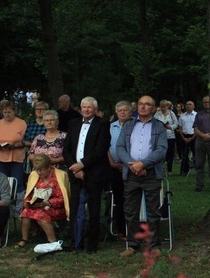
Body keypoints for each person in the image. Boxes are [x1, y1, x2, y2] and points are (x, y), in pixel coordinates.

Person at [117, 95, 168, 257]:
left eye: (147, 105)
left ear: (153, 108)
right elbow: (120, 147)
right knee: (130, 211)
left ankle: (153, 245)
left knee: (153, 212)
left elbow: (161, 149)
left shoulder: (159, 127)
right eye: (140, 104)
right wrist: (133, 165)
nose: (143, 107)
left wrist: (144, 164)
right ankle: (132, 245)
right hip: (132, 174)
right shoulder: (129, 125)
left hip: (151, 174)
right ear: (136, 106)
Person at [63, 96, 110, 253]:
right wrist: (74, 168)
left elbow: (100, 150)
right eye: (83, 107)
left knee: (94, 209)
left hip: (94, 173)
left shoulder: (102, 124)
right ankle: (76, 242)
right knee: (75, 208)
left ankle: (92, 245)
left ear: (95, 109)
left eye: (89, 107)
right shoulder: (73, 123)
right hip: (75, 174)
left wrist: (82, 165)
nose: (86, 109)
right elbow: (66, 149)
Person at [17, 155, 70, 248]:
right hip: (38, 206)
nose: (38, 172)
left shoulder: (60, 176)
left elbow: (63, 199)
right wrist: (27, 202)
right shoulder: (34, 175)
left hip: (56, 207)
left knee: (40, 214)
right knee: (25, 212)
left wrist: (48, 203)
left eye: (41, 170)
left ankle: (52, 241)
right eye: (37, 170)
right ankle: (24, 239)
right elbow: (29, 194)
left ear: (49, 167)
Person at [0, 101, 26, 214]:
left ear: (14, 111)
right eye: (5, 112)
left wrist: (14, 145)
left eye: (9, 112)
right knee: (2, 183)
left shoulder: (21, 123)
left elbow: (26, 141)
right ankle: (3, 208)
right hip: (1, 157)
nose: (7, 114)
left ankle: (19, 209)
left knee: (17, 183)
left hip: (16, 157)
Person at [107, 101, 132, 240]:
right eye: (120, 110)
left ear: (130, 112)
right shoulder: (110, 127)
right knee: (118, 199)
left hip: (131, 167)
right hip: (114, 167)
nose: (122, 112)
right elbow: (106, 147)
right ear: (116, 113)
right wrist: (112, 163)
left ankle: (135, 227)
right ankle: (121, 230)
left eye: (125, 110)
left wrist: (128, 163)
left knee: (132, 198)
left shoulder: (135, 126)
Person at [193, 96, 210, 192]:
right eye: (205, 102)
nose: (207, 104)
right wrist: (203, 135)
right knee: (199, 163)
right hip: (200, 141)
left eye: (208, 102)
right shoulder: (199, 114)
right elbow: (195, 127)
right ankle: (199, 185)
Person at [154, 100, 179, 174]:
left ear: (167, 107)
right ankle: (160, 168)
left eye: (164, 107)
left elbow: (176, 123)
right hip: (160, 136)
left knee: (170, 153)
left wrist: (170, 127)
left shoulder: (171, 114)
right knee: (161, 152)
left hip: (170, 136)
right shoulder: (157, 114)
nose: (163, 108)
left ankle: (169, 170)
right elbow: (154, 124)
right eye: (161, 107)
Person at [178, 100, 197, 176]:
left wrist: (192, 138)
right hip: (184, 137)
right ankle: (184, 171)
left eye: (190, 104)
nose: (188, 106)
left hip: (194, 136)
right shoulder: (182, 116)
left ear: (193, 106)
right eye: (187, 104)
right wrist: (183, 138)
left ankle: (197, 170)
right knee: (184, 155)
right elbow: (180, 127)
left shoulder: (196, 115)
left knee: (196, 155)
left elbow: (197, 127)